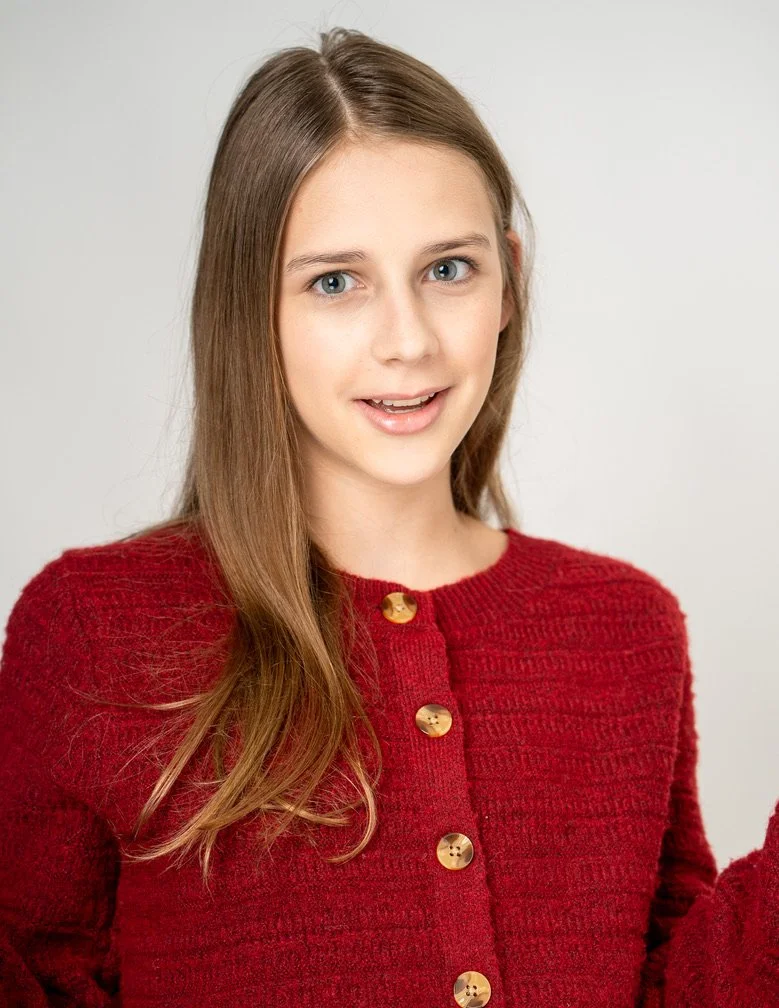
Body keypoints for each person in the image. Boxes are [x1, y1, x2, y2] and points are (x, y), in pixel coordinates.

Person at [0, 26, 776, 1008]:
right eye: (335, 282)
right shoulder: (94, 629)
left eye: (446, 270)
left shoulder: (624, 628)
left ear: (507, 279)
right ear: (250, 308)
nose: (405, 340)